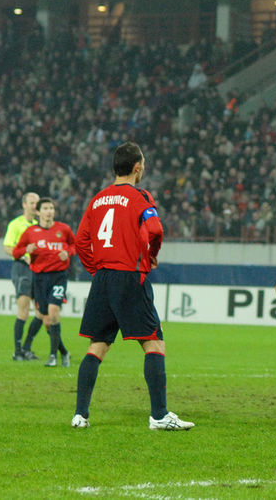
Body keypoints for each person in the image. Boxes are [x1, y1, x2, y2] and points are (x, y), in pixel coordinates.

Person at [72, 141, 194, 431]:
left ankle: (80, 415)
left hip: (103, 279)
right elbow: (155, 229)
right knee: (154, 342)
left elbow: (80, 241)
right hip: (129, 276)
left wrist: (95, 269)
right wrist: (151, 254)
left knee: (97, 346)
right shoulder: (140, 196)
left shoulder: (97, 199)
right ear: (137, 167)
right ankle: (159, 415)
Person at [12, 198, 75, 367]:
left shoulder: (64, 229)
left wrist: (68, 253)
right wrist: (26, 249)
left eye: (51, 208)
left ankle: (52, 356)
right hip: (39, 279)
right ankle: (64, 353)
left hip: (59, 276)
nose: (49, 211)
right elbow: (16, 252)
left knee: (53, 313)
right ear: (38, 212)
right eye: (45, 208)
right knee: (46, 321)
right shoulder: (30, 232)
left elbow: (74, 245)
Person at [4, 191, 43, 361]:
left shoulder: (39, 225)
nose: (35, 206)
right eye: (32, 202)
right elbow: (7, 247)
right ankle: (18, 351)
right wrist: (23, 255)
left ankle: (26, 348)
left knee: (42, 312)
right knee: (24, 308)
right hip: (22, 268)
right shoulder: (16, 224)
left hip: (38, 269)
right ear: (24, 205)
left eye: (37, 203)